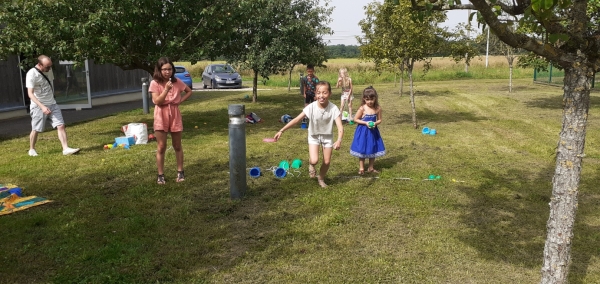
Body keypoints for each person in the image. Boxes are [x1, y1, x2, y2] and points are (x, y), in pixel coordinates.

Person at [274, 81, 343, 188]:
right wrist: (281, 130)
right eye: (319, 92)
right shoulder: (311, 107)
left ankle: (321, 178)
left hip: (327, 136)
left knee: (327, 161)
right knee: (314, 160)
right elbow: (297, 119)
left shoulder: (333, 108)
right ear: (315, 94)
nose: (321, 95)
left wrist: (339, 140)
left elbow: (339, 126)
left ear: (330, 93)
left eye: (324, 93)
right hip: (314, 136)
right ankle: (311, 165)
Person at [149, 57, 193, 184]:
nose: (167, 72)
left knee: (177, 145)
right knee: (161, 146)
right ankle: (160, 175)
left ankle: (180, 172)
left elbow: (189, 91)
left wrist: (180, 101)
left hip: (174, 113)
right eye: (164, 69)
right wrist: (166, 89)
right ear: (159, 70)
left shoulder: (177, 81)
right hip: (161, 114)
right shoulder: (154, 83)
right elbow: (157, 101)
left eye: (170, 69)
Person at [26, 55, 80, 156]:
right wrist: (42, 106)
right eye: (47, 67)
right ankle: (32, 149)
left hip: (52, 103)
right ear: (39, 64)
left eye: (50, 66)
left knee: (61, 125)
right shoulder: (31, 74)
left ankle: (65, 149)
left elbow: (50, 84)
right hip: (38, 106)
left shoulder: (49, 71)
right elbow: (30, 94)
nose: (49, 68)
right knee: (36, 129)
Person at [349, 86, 386, 175]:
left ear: (375, 98)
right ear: (364, 99)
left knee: (372, 147)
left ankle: (370, 167)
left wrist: (375, 123)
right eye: (367, 99)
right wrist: (365, 123)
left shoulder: (378, 108)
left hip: (373, 132)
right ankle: (361, 168)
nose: (369, 101)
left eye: (371, 99)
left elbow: (380, 120)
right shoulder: (363, 108)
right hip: (363, 132)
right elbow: (355, 119)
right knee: (362, 148)